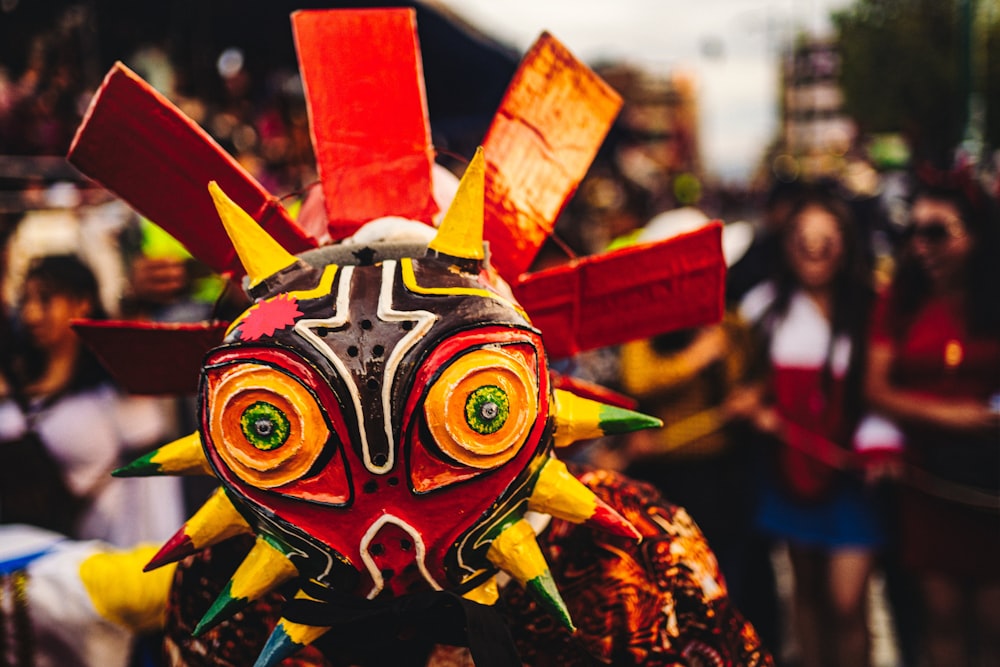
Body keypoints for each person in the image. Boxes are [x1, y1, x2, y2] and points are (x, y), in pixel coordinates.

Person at [731, 186, 881, 667]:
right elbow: (743, 374)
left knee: (846, 601)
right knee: (808, 592)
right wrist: (752, 401)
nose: (814, 247)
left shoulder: (872, 307)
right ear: (786, 242)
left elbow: (886, 387)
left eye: (827, 236)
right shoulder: (763, 307)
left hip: (854, 476)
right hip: (788, 472)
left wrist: (881, 448)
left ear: (846, 243)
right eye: (802, 236)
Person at [864, 170, 1000, 667]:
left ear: (977, 233)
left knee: (992, 624)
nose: (921, 245)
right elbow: (875, 390)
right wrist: (954, 417)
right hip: (929, 483)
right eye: (913, 232)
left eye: (937, 231)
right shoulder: (899, 298)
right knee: (939, 618)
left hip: (991, 488)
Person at [0, 254, 181, 546]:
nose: (31, 314)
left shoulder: (116, 390)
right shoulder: (14, 388)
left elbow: (153, 492)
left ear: (82, 303)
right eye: (25, 301)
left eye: (45, 300)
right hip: (25, 566)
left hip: (103, 563)